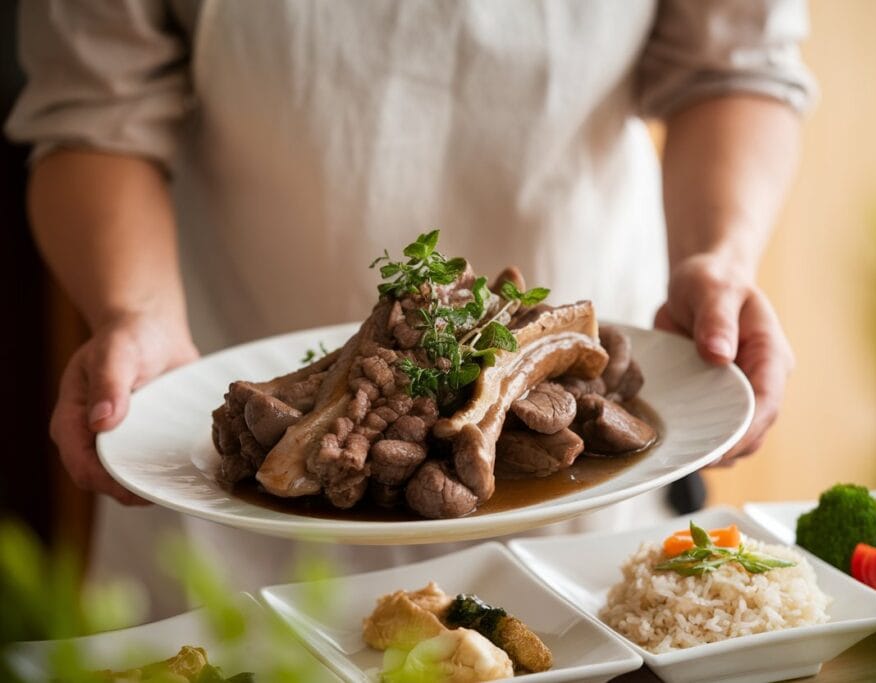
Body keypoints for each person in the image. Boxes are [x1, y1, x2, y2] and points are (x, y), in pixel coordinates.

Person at [7, 0, 813, 618]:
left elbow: (732, 65)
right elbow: (92, 107)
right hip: (220, 475)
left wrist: (719, 257)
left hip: (579, 499)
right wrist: (132, 312)